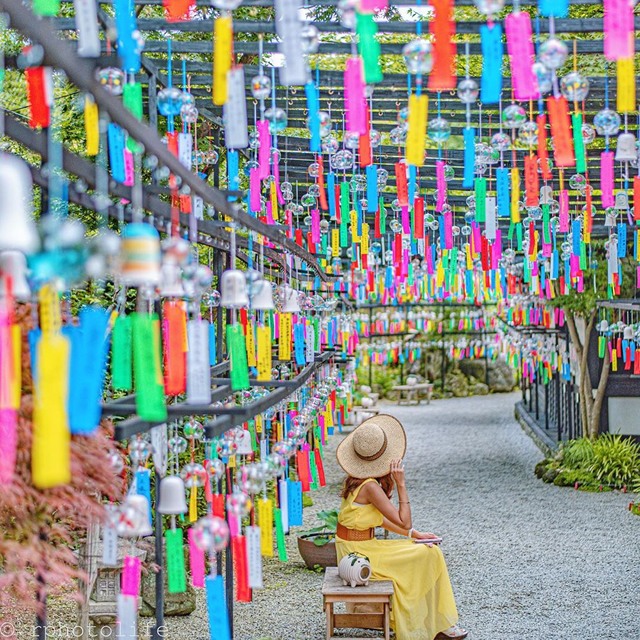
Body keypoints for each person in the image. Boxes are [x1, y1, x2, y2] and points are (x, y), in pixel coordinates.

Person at [335, 414, 467, 640]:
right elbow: (403, 520)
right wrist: (402, 485)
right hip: (360, 553)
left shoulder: (359, 480)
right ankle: (436, 623)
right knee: (430, 554)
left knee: (426, 549)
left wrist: (413, 534)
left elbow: (380, 519)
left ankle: (435, 621)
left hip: (359, 547)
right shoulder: (369, 486)